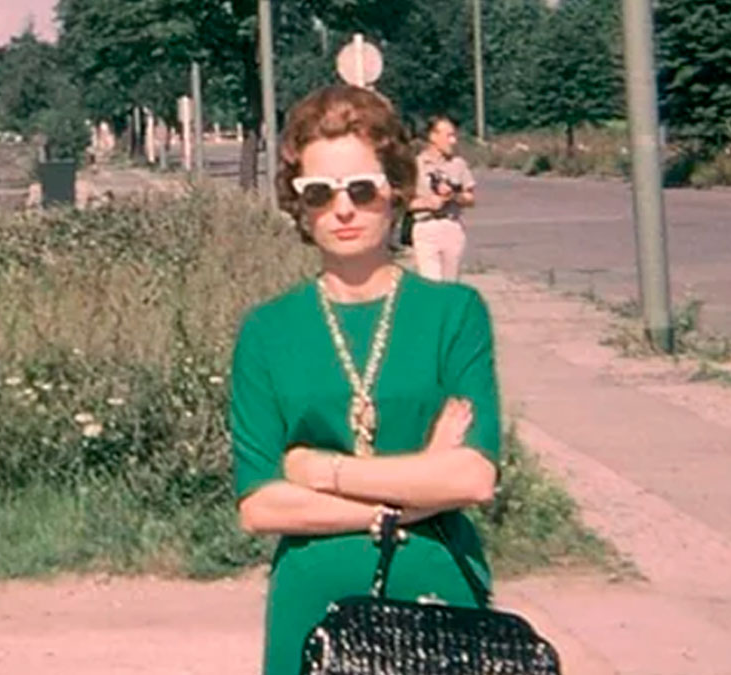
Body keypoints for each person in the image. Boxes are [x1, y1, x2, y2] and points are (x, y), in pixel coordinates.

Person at [230, 85, 502, 675]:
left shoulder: (454, 314)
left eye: (361, 188)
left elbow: (473, 476)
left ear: (396, 191)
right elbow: (261, 505)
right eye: (319, 193)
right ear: (299, 205)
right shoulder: (267, 331)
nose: (343, 209)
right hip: (313, 604)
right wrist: (413, 496)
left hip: (436, 597)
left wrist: (321, 471)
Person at [409, 115, 477, 281]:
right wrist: (427, 203)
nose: (453, 141)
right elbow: (404, 203)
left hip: (451, 225)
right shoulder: (416, 165)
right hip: (426, 226)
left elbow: (471, 198)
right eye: (449, 136)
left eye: (454, 136)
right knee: (430, 281)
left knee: (450, 283)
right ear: (433, 136)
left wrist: (454, 196)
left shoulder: (458, 164)